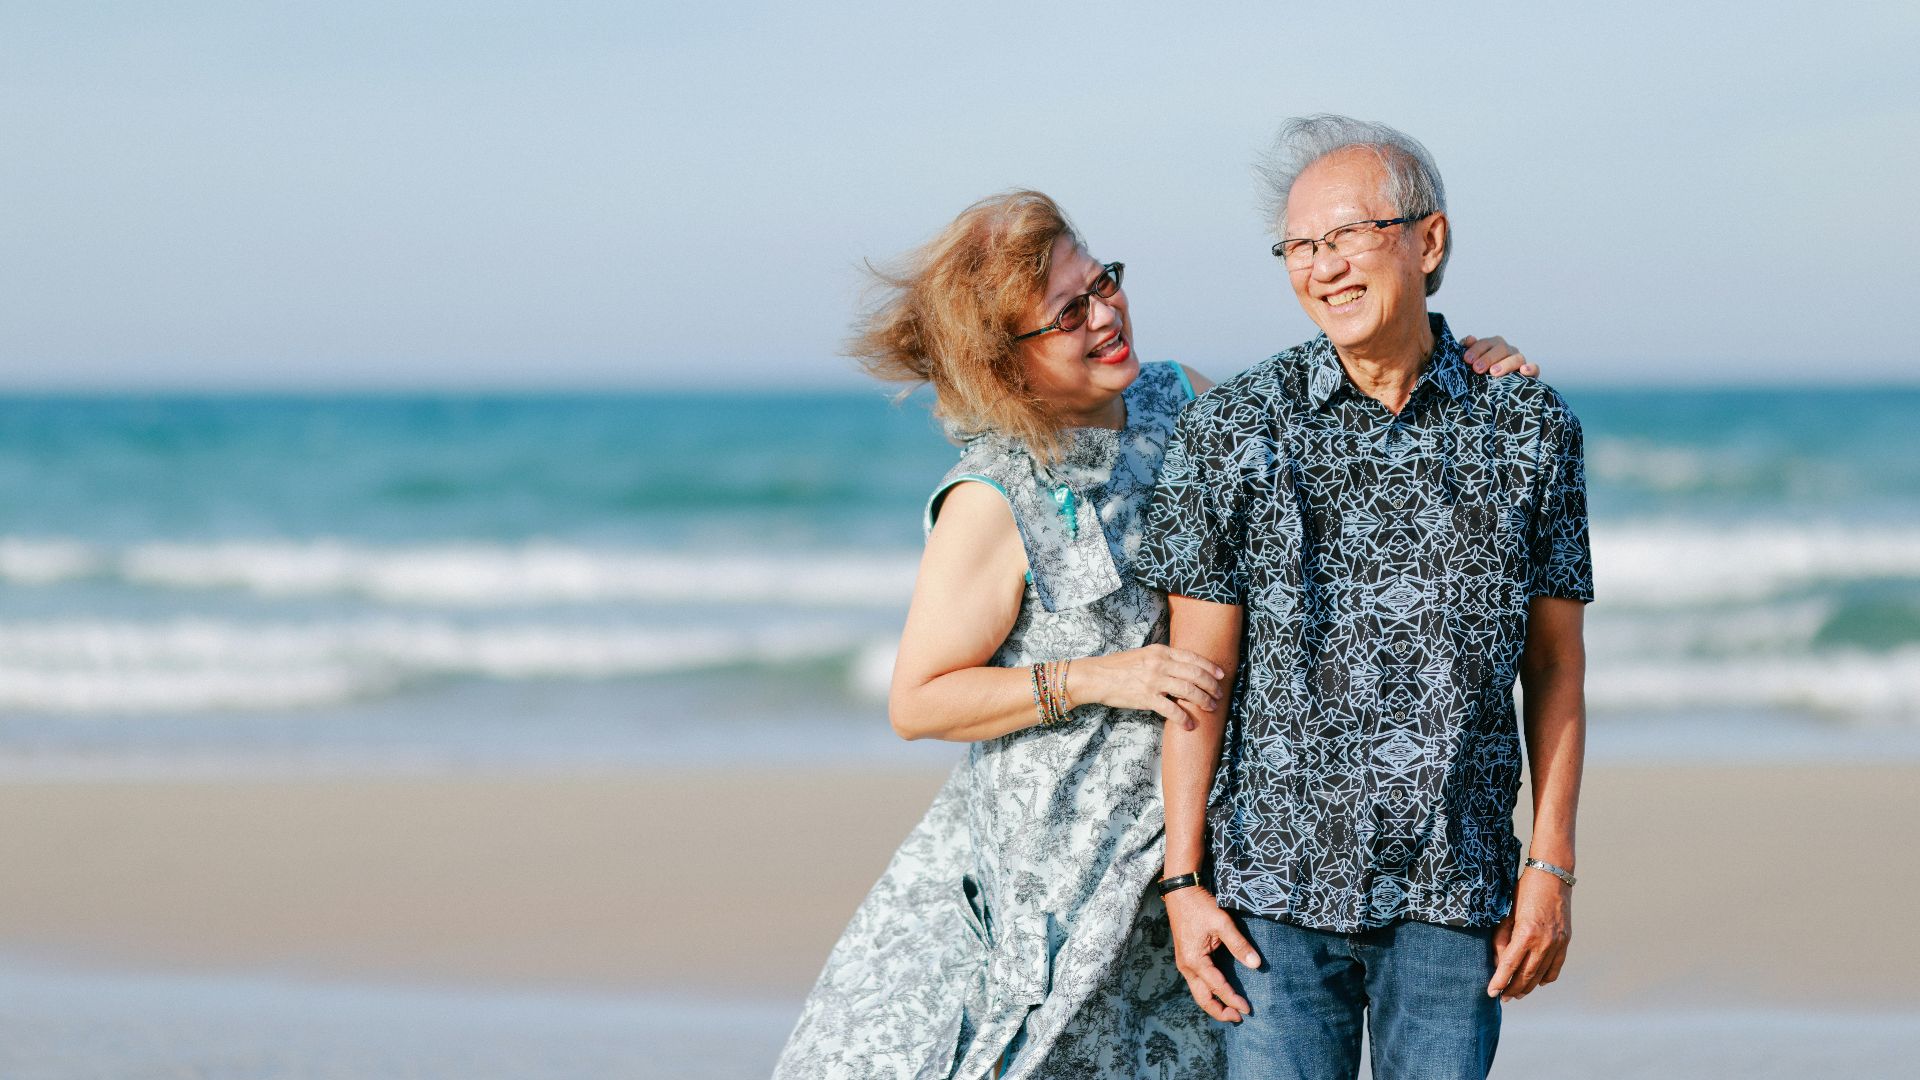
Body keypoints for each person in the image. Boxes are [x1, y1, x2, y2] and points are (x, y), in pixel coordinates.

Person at [773, 189, 1538, 1080]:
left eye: (1103, 282)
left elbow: (1336, 414)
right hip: (1061, 878)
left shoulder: (1182, 399)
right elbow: (920, 699)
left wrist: (1460, 367)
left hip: (1201, 857)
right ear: (1005, 365)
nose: (1105, 315)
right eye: (1069, 314)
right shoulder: (993, 496)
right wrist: (1103, 676)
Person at [1139, 115, 1592, 1080]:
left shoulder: (1530, 425)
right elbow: (1197, 675)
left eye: (1347, 235)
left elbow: (1554, 666)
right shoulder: (1234, 431)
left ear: (1427, 242)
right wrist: (1184, 880)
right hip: (1272, 896)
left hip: (1454, 892)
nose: (1323, 267)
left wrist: (1548, 868)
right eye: (1299, 246)